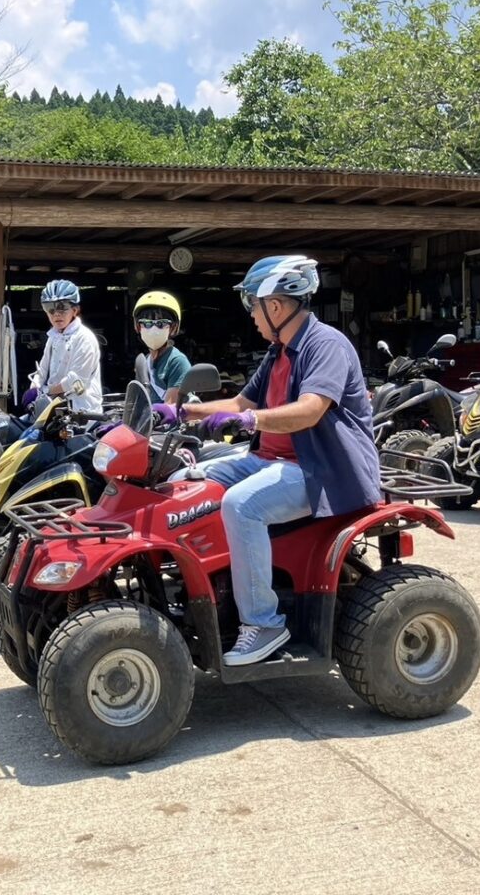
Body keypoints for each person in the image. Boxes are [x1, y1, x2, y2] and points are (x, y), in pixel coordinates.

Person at [155, 255, 380, 666]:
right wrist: (184, 412)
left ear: (274, 306)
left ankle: (264, 623)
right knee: (189, 478)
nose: (252, 316)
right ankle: (205, 585)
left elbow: (310, 409)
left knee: (242, 505)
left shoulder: (324, 345)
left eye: (252, 305)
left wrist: (248, 420)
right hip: (270, 461)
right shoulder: (278, 351)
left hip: (320, 472)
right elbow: (241, 402)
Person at [21, 279, 103, 415]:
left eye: (62, 307)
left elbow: (75, 383)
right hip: (54, 409)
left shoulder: (84, 338)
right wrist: (34, 387)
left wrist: (44, 391)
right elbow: (42, 370)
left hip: (82, 413)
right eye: (50, 308)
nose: (56, 314)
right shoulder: (53, 336)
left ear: (75, 310)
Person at [133, 290, 191, 404]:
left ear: (173, 327)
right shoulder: (144, 361)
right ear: (138, 327)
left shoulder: (177, 362)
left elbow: (170, 410)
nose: (153, 330)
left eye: (161, 323)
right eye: (147, 323)